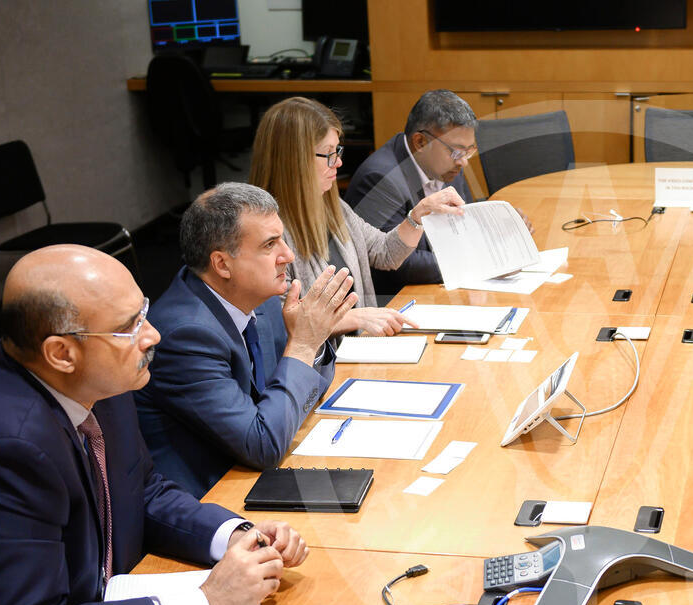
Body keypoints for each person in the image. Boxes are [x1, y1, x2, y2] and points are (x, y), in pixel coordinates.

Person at [0, 244, 308, 605]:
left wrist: (237, 536)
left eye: (144, 313)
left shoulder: (102, 382)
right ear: (61, 353)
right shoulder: (10, 444)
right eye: (128, 326)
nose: (153, 334)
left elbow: (145, 491)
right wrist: (208, 603)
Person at [135, 183, 356, 498]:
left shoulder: (258, 296)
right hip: (212, 496)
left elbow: (306, 390)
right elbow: (262, 445)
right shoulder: (184, 336)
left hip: (255, 470)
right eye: (270, 245)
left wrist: (311, 341)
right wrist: (303, 344)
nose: (288, 255)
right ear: (222, 264)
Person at [247, 95, 464, 319]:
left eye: (337, 151)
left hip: (361, 338)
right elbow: (281, 322)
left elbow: (386, 253)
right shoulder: (263, 231)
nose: (338, 162)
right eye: (329, 154)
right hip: (331, 343)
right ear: (294, 159)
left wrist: (418, 215)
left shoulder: (334, 207)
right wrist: (355, 319)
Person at [344, 90, 477, 296]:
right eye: (457, 152)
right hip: (397, 298)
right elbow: (400, 263)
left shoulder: (448, 165)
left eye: (469, 151)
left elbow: (465, 216)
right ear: (420, 142)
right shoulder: (380, 178)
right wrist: (471, 261)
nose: (463, 162)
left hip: (440, 286)